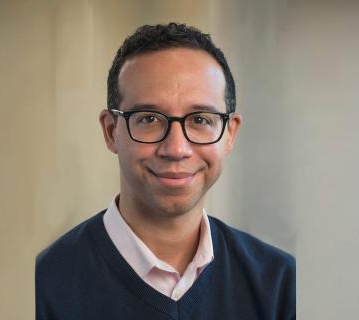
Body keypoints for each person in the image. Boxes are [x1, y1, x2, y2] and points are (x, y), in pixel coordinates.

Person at [36, 23, 295, 320]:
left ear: (230, 134)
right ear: (111, 131)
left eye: (200, 119)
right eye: (149, 118)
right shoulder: (44, 286)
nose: (176, 148)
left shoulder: (281, 286)